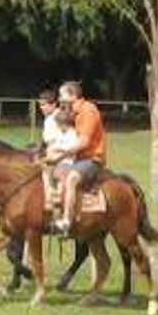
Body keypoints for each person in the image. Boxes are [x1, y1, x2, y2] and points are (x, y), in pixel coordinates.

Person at [51, 81, 106, 234]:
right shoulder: (71, 111)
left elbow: (84, 142)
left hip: (91, 159)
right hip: (77, 159)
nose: (60, 98)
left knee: (71, 179)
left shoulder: (88, 110)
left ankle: (66, 221)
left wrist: (61, 153)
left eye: (62, 95)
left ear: (73, 95)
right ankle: (54, 215)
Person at [42, 107, 80, 223]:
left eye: (59, 125)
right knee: (44, 170)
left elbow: (71, 148)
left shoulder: (72, 134)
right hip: (56, 162)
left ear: (65, 124)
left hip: (66, 162)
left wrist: (58, 148)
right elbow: (52, 144)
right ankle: (49, 190)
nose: (57, 127)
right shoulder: (60, 134)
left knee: (61, 178)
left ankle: (59, 199)